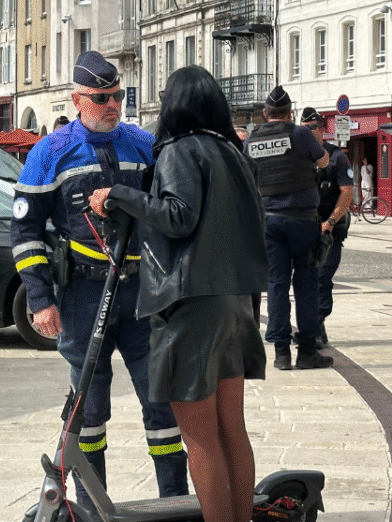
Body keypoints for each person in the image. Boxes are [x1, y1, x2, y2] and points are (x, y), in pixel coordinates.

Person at [10, 51, 188, 518]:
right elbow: (25, 232)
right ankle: (91, 509)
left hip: (143, 292)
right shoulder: (49, 152)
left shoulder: (143, 144)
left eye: (118, 96)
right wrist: (40, 299)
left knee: (162, 402)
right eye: (101, 98)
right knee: (89, 411)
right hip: (84, 294)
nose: (112, 106)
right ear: (77, 99)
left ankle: (175, 502)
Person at [88, 65, 268, 522]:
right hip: (237, 303)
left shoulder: (179, 150)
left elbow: (178, 216)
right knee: (232, 431)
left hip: (192, 304)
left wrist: (119, 195)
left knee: (200, 438)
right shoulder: (234, 153)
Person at [244, 86, 331, 371]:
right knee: (306, 284)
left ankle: (281, 353)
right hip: (302, 220)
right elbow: (324, 160)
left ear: (265, 113)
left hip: (268, 220)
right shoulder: (300, 134)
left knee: (277, 283)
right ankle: (307, 351)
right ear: (290, 113)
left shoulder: (253, 139)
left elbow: (246, 175)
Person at [301, 108, 353, 348]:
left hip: (330, 229)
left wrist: (331, 222)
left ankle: (318, 321)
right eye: (304, 128)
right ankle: (315, 327)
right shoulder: (298, 156)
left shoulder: (336, 157)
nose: (309, 132)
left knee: (323, 277)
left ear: (322, 129)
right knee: (306, 280)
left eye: (313, 127)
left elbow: (347, 192)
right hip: (304, 227)